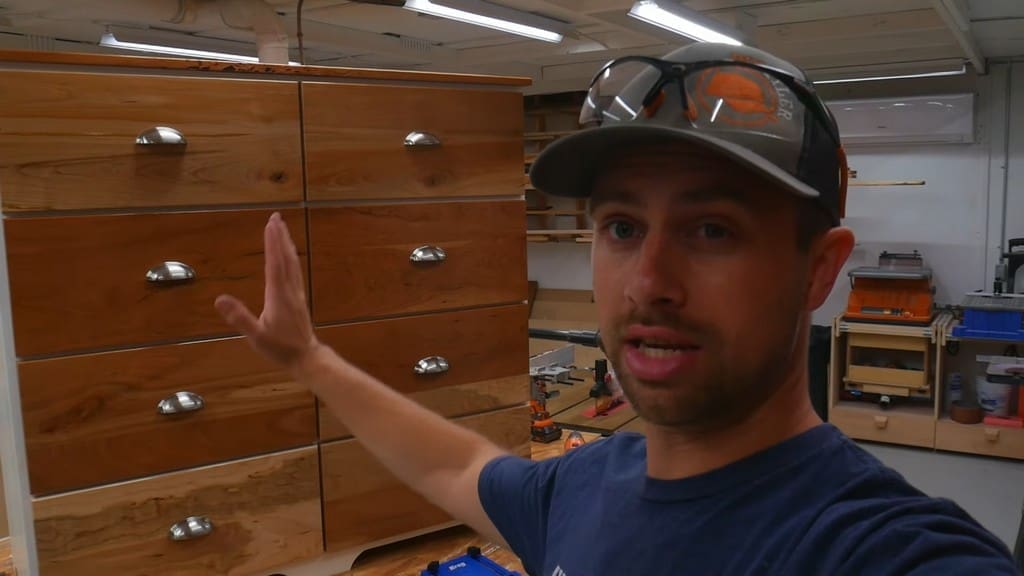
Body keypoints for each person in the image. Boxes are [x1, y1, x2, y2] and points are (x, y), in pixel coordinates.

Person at [215, 42, 1019, 575]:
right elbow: (453, 465)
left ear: (819, 270)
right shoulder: (583, 484)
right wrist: (310, 360)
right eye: (623, 228)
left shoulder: (870, 549)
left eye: (712, 230)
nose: (647, 282)